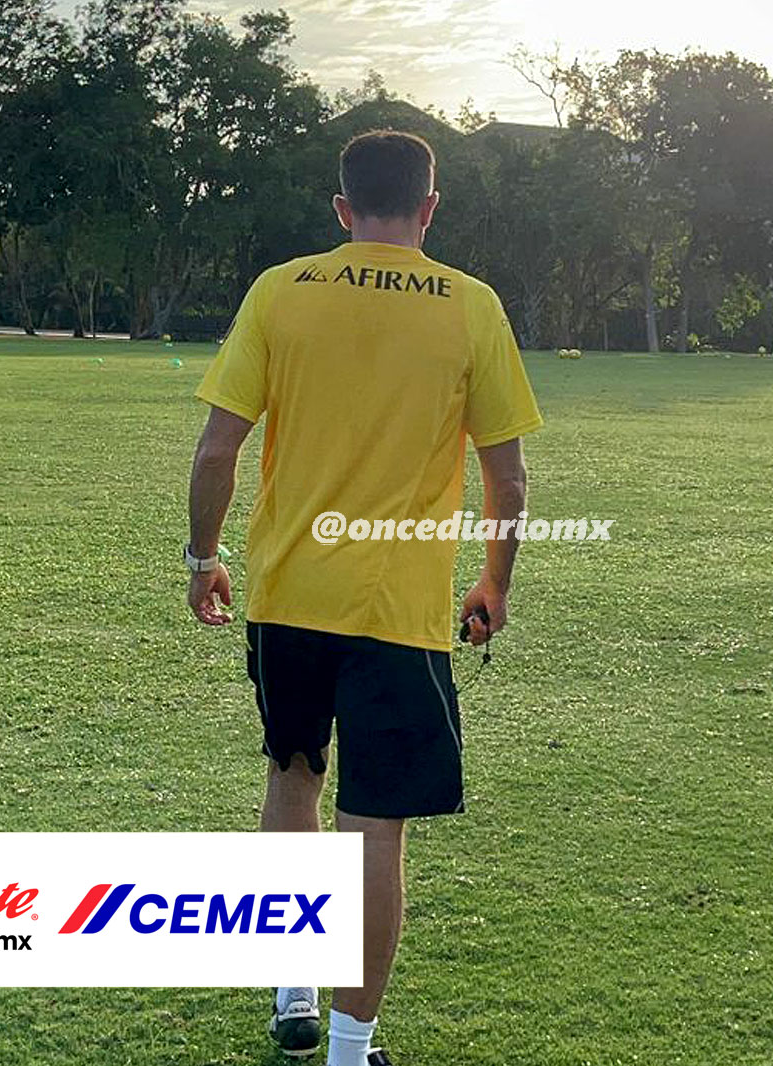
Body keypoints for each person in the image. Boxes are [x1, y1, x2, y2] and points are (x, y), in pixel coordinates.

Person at [183, 129, 543, 1066]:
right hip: (397, 609)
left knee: (292, 780)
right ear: (429, 207)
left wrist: (201, 558)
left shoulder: (280, 290)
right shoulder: (471, 306)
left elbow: (217, 450)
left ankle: (292, 987)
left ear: (343, 210)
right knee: (372, 821)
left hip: (287, 596)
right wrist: (495, 582)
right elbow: (508, 483)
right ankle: (350, 1046)